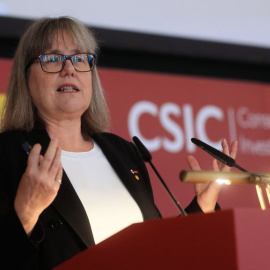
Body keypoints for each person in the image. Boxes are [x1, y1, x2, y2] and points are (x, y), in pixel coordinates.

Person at [0, 17, 237, 270]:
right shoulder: (9, 154)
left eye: (80, 59)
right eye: (52, 59)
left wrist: (202, 207)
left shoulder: (124, 153)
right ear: (25, 77)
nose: (69, 69)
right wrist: (25, 213)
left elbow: (156, 253)